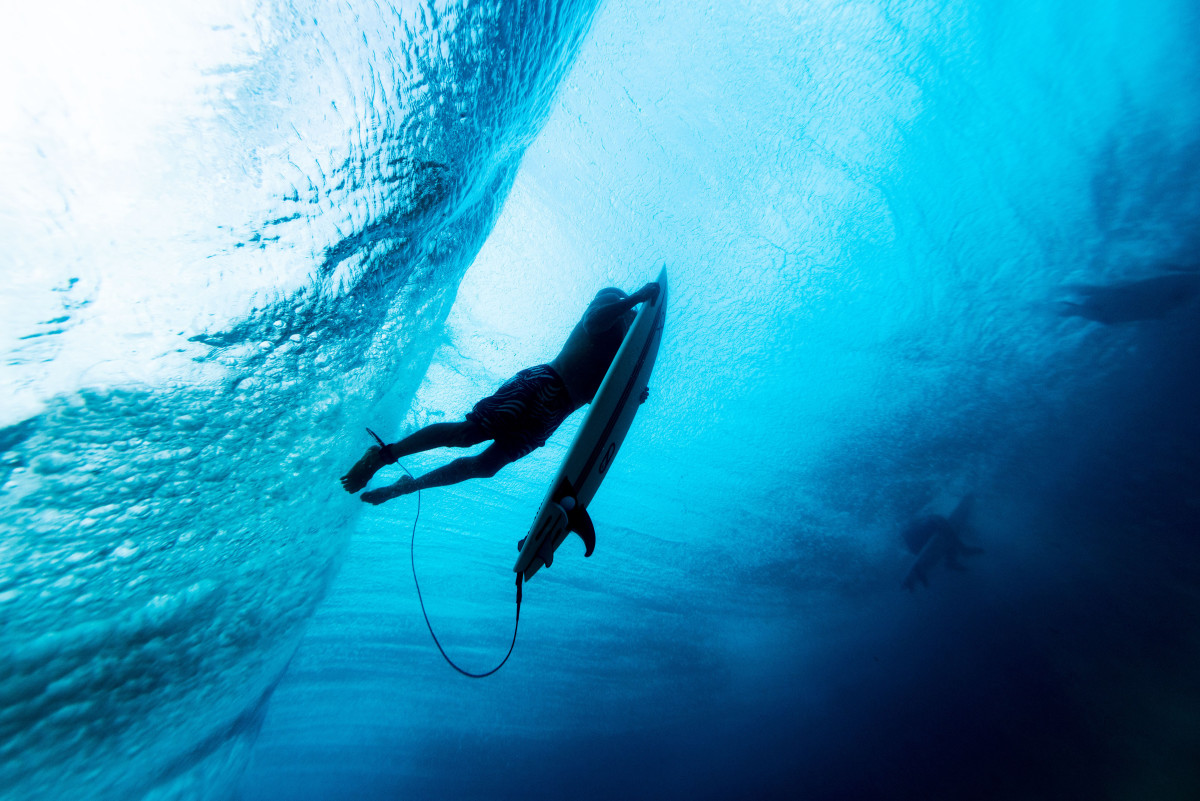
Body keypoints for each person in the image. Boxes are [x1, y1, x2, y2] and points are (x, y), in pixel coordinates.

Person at [341, 281, 661, 504]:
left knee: (487, 467)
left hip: (554, 415)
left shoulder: (621, 352)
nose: (631, 317)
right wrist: (632, 300)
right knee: (469, 434)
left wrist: (631, 394)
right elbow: (594, 321)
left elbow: (600, 397)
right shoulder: (611, 302)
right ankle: (384, 456)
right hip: (541, 384)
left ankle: (407, 488)